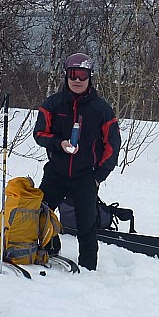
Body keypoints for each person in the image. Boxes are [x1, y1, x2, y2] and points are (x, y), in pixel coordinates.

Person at [33, 52, 121, 271]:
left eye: (82, 74)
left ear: (90, 76)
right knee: (39, 215)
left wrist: (98, 176)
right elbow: (39, 134)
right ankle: (46, 248)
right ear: (66, 76)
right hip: (56, 173)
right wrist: (59, 143)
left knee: (87, 225)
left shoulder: (101, 109)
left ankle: (88, 270)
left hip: (85, 177)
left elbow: (112, 145)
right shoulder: (53, 103)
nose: (77, 80)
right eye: (73, 74)